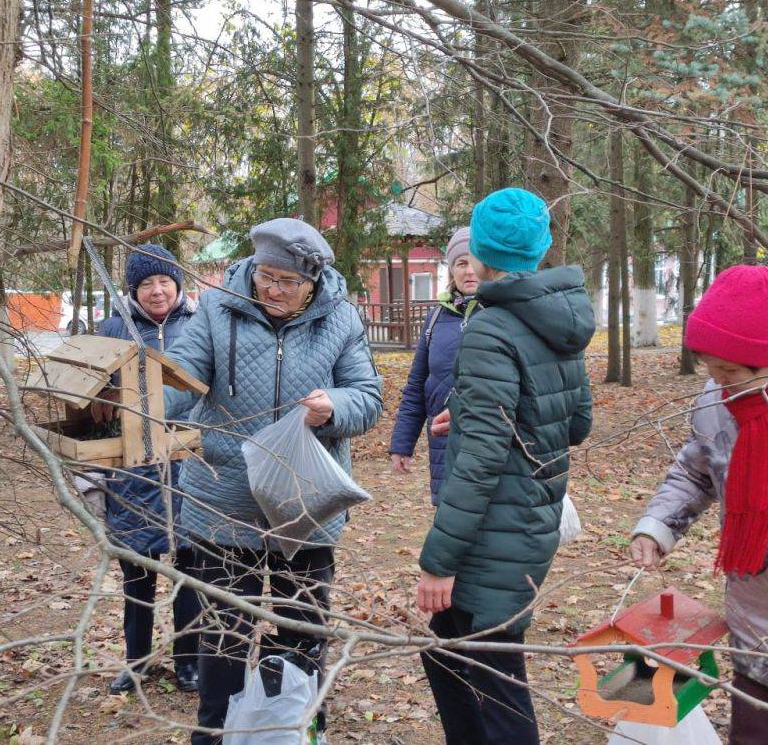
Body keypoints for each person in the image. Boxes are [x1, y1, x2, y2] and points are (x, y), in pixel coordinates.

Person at [164, 218, 383, 745]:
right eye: (265, 276)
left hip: (306, 502)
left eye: (286, 282)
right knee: (222, 633)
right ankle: (215, 730)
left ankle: (297, 725)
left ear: (312, 281)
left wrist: (334, 407)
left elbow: (368, 397)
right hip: (223, 499)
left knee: (302, 627)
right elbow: (181, 373)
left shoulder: (341, 319)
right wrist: (137, 403)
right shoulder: (218, 309)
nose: (272, 290)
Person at [629, 265, 768, 744]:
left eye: (730, 370)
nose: (717, 379)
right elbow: (694, 471)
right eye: (709, 365)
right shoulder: (717, 399)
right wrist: (656, 527)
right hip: (756, 615)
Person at [416, 188, 594, 744]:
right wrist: (467, 411)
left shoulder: (491, 326)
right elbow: (575, 423)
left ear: (483, 254)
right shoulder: (558, 321)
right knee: (448, 649)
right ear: (540, 250)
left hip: (494, 530)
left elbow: (480, 463)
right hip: (527, 525)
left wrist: (438, 560)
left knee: (497, 682)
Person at [88, 243, 201, 695]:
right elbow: (91, 390)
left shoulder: (198, 325)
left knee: (190, 570)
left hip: (189, 462)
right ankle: (135, 663)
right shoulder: (113, 327)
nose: (158, 292)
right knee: (138, 571)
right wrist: (100, 400)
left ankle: (189, 661)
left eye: (165, 281)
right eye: (148, 283)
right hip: (132, 468)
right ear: (133, 289)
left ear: (178, 284)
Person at [389, 227, 481, 506]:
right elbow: (417, 386)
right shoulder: (436, 318)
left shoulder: (502, 313)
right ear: (451, 269)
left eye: (476, 261)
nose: (469, 271)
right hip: (443, 448)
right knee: (449, 522)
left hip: (490, 445)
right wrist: (402, 444)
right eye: (461, 263)